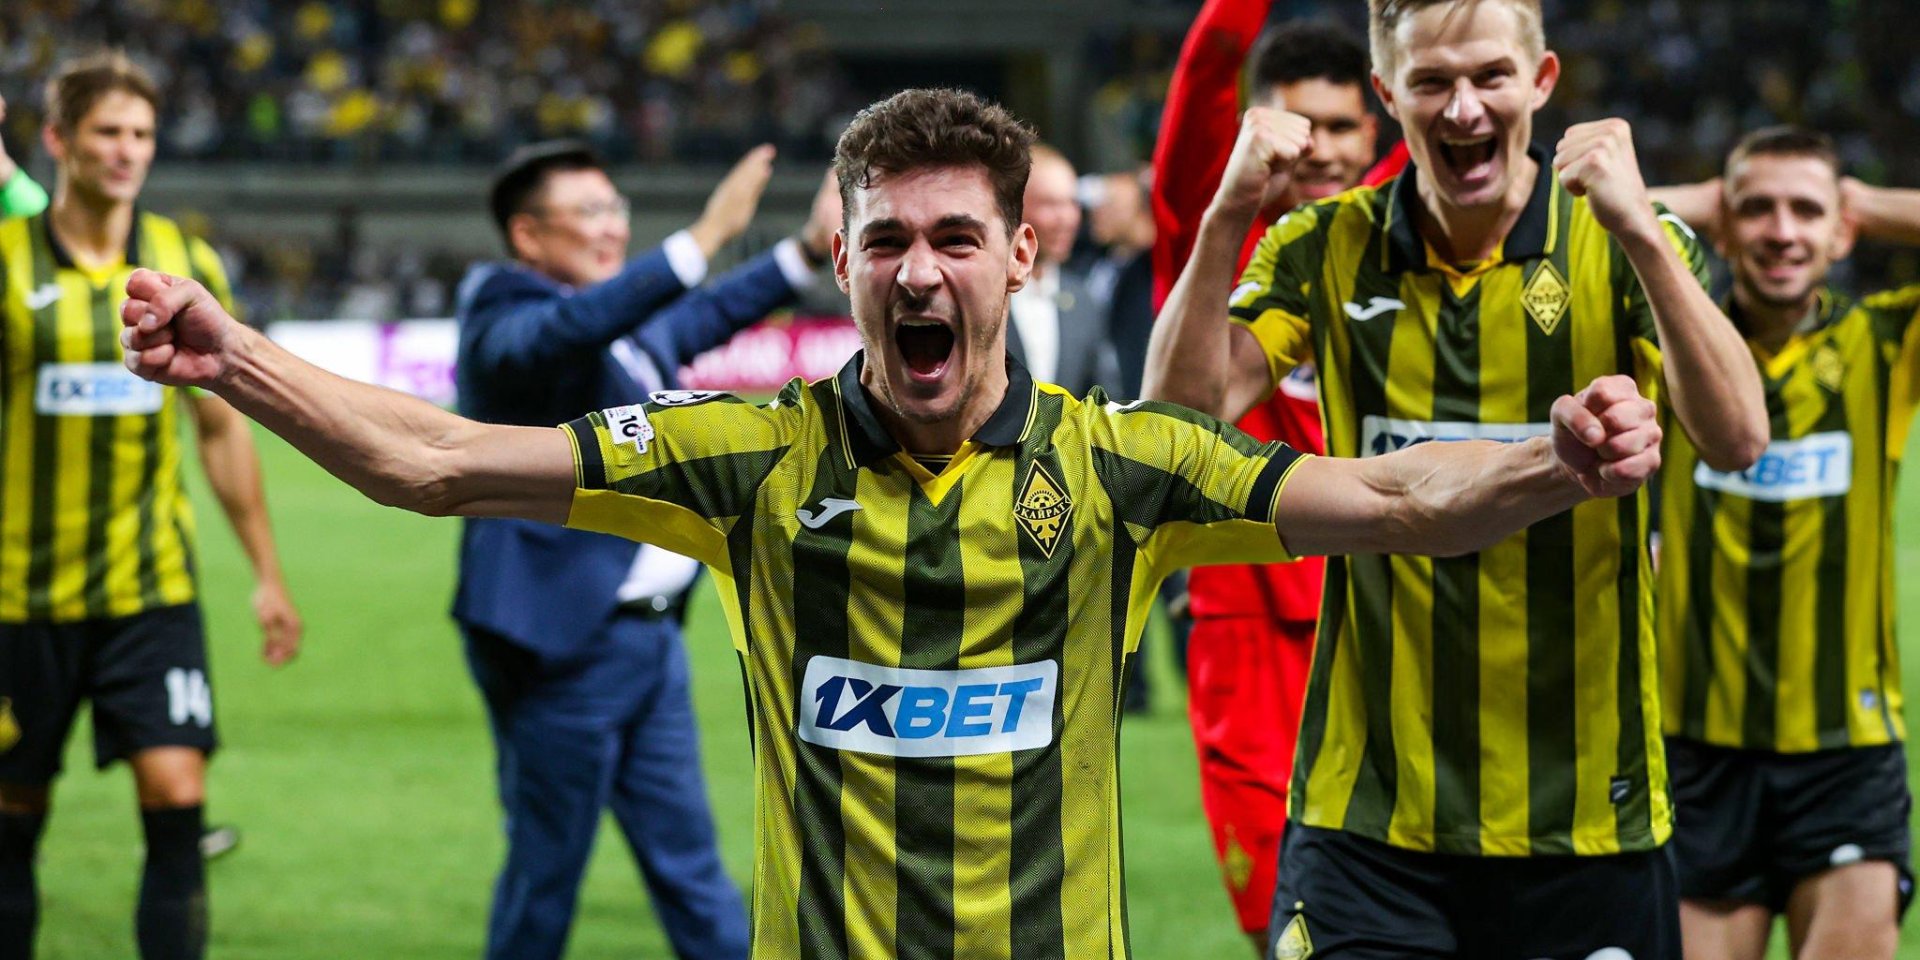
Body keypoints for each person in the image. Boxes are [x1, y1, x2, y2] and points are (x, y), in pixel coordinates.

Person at [119, 86, 1665, 960]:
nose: (919, 272)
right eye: (885, 241)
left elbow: (1392, 499)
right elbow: (442, 461)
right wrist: (235, 356)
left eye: (955, 239)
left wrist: (1556, 458)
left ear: (1021, 258)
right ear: (847, 262)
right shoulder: (747, 457)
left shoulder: (1122, 467)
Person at [1143, 0, 1772, 954]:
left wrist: (1642, 230)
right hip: (1368, 820)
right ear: (1389, 95)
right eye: (1432, 82)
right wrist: (1229, 207)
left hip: (1584, 816)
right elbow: (1174, 423)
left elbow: (1738, 438)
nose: (1465, 108)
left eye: (1490, 76)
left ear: (1542, 81)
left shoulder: (1619, 237)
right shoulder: (1324, 244)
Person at [453, 137, 837, 960]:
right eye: (589, 211)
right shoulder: (501, 306)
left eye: (616, 208)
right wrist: (704, 236)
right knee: (546, 873)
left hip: (648, 640)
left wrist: (806, 250)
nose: (612, 227)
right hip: (560, 644)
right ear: (526, 234)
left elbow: (700, 316)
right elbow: (565, 330)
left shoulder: (619, 328)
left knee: (691, 870)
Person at [0, 51, 303, 960]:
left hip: (151, 589)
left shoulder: (184, 261)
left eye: (141, 133)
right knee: (14, 817)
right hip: (18, 596)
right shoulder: (7, 260)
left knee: (178, 800)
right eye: (108, 131)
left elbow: (220, 431)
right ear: (59, 141)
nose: (127, 150)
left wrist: (267, 573)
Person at [1146, 9, 1404, 950]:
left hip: (1388, 609)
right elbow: (1206, 80)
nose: (1321, 150)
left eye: (1341, 128)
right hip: (1247, 621)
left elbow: (1456, 122)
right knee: (1282, 926)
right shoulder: (1213, 234)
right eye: (1301, 126)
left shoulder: (1393, 232)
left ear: (1375, 133)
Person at [1639, 127, 1920, 960]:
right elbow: (1561, 226)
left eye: (1806, 211)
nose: (1782, 231)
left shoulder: (1885, 342)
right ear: (1724, 228)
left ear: (1842, 233)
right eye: (1757, 209)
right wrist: (1700, 208)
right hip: (1697, 751)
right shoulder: (1667, 342)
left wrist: (1868, 205)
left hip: (1846, 753)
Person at [1006, 144, 1117, 396]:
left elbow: (1104, 398)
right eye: (1050, 204)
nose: (1067, 219)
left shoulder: (1083, 299)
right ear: (1014, 208)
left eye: (1072, 203)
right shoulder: (983, 295)